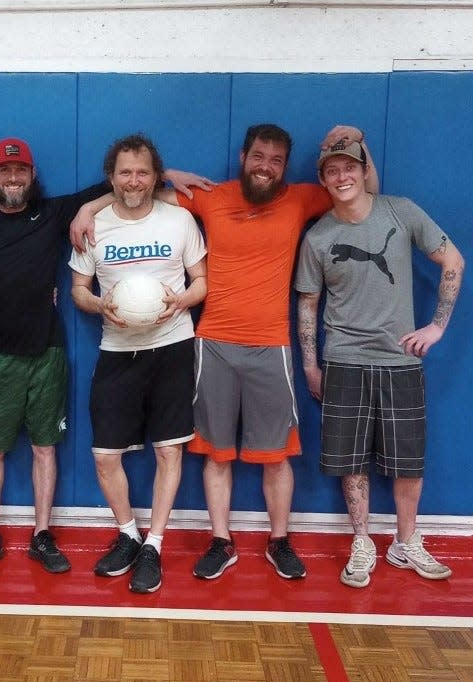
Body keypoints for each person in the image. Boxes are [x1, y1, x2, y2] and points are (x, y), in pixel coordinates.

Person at [71, 122, 376, 582]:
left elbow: (361, 189)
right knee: (217, 454)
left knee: (277, 455)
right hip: (212, 342)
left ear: (285, 166)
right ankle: (221, 541)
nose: (266, 167)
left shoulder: (300, 199)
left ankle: (279, 541)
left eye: (276, 160)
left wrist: (359, 146)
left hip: (271, 345)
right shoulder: (211, 197)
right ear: (243, 157)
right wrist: (88, 208)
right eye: (259, 157)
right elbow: (137, 195)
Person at [0, 137, 205, 576]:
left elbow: (114, 196)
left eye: (21, 171)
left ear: (32, 175)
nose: (13, 177)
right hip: (20, 352)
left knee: (148, 450)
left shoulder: (61, 214)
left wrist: (179, 300)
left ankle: (131, 544)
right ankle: (1, 535)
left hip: (107, 348)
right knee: (45, 452)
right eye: (5, 171)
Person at [295, 140, 464, 588]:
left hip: (400, 361)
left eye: (350, 166)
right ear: (323, 180)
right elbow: (308, 304)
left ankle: (406, 542)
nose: (342, 176)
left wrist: (437, 327)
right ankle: (363, 541)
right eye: (332, 170)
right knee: (352, 461)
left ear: (364, 170)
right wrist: (311, 365)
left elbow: (453, 260)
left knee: (408, 461)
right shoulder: (318, 237)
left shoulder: (401, 212)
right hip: (344, 360)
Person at [69, 133, 207, 593]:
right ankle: (128, 533)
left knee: (169, 449)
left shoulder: (179, 220)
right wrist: (97, 305)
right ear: (111, 177)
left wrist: (182, 301)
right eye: (125, 172)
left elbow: (201, 281)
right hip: (117, 350)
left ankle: (155, 544)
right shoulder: (95, 224)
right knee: (105, 455)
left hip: (171, 346)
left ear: (155, 175)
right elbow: (77, 289)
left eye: (143, 172)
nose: (134, 180)